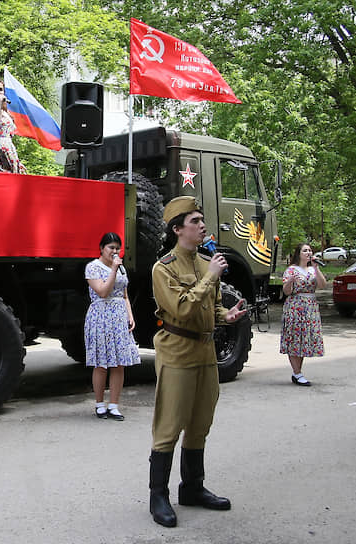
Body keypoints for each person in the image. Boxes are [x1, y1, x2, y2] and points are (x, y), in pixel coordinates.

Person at [148, 196, 247, 528]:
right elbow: (183, 309)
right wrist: (211, 277)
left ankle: (192, 488)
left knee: (200, 424)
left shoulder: (207, 263)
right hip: (177, 352)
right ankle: (158, 496)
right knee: (169, 427)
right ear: (178, 230)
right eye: (195, 221)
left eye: (202, 220)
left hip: (206, 354)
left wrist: (226, 315)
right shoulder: (163, 269)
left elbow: (210, 308)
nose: (203, 225)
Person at [84, 232, 140, 421]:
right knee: (101, 363)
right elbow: (102, 291)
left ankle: (114, 405)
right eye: (111, 248)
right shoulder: (93, 268)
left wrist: (130, 316)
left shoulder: (122, 268)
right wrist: (114, 270)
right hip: (101, 316)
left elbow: (124, 295)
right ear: (101, 248)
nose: (115, 252)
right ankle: (100, 404)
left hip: (118, 317)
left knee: (119, 363)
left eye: (117, 248)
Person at [280, 243, 327, 386]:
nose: (308, 252)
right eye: (305, 250)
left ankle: (298, 372)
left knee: (304, 339)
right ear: (298, 253)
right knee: (295, 338)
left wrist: (317, 268)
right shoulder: (292, 270)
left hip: (310, 307)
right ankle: (297, 373)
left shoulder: (313, 269)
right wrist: (290, 281)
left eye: (310, 250)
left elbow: (323, 285)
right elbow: (287, 291)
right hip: (295, 306)